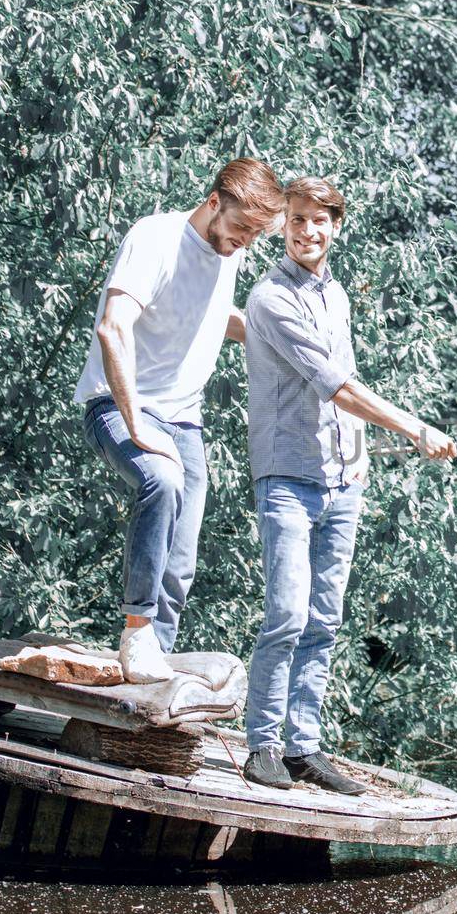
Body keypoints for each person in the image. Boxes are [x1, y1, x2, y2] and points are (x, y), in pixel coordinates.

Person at [241, 176, 456, 794]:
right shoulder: (270, 298)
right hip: (287, 477)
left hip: (343, 484)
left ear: (337, 225)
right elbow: (333, 385)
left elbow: (348, 384)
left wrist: (360, 454)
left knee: (323, 621)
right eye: (297, 220)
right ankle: (263, 747)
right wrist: (415, 428)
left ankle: (304, 747)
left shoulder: (336, 297)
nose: (308, 231)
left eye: (320, 220)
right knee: (285, 615)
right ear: (281, 225)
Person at [75, 159, 284, 683]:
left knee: (182, 556)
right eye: (240, 229)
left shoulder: (228, 249)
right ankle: (136, 630)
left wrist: (280, 342)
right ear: (214, 202)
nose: (243, 243)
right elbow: (111, 327)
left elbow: (215, 315)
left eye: (255, 236)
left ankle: (149, 665)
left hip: (184, 422)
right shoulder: (156, 239)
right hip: (118, 406)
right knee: (161, 481)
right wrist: (136, 424)